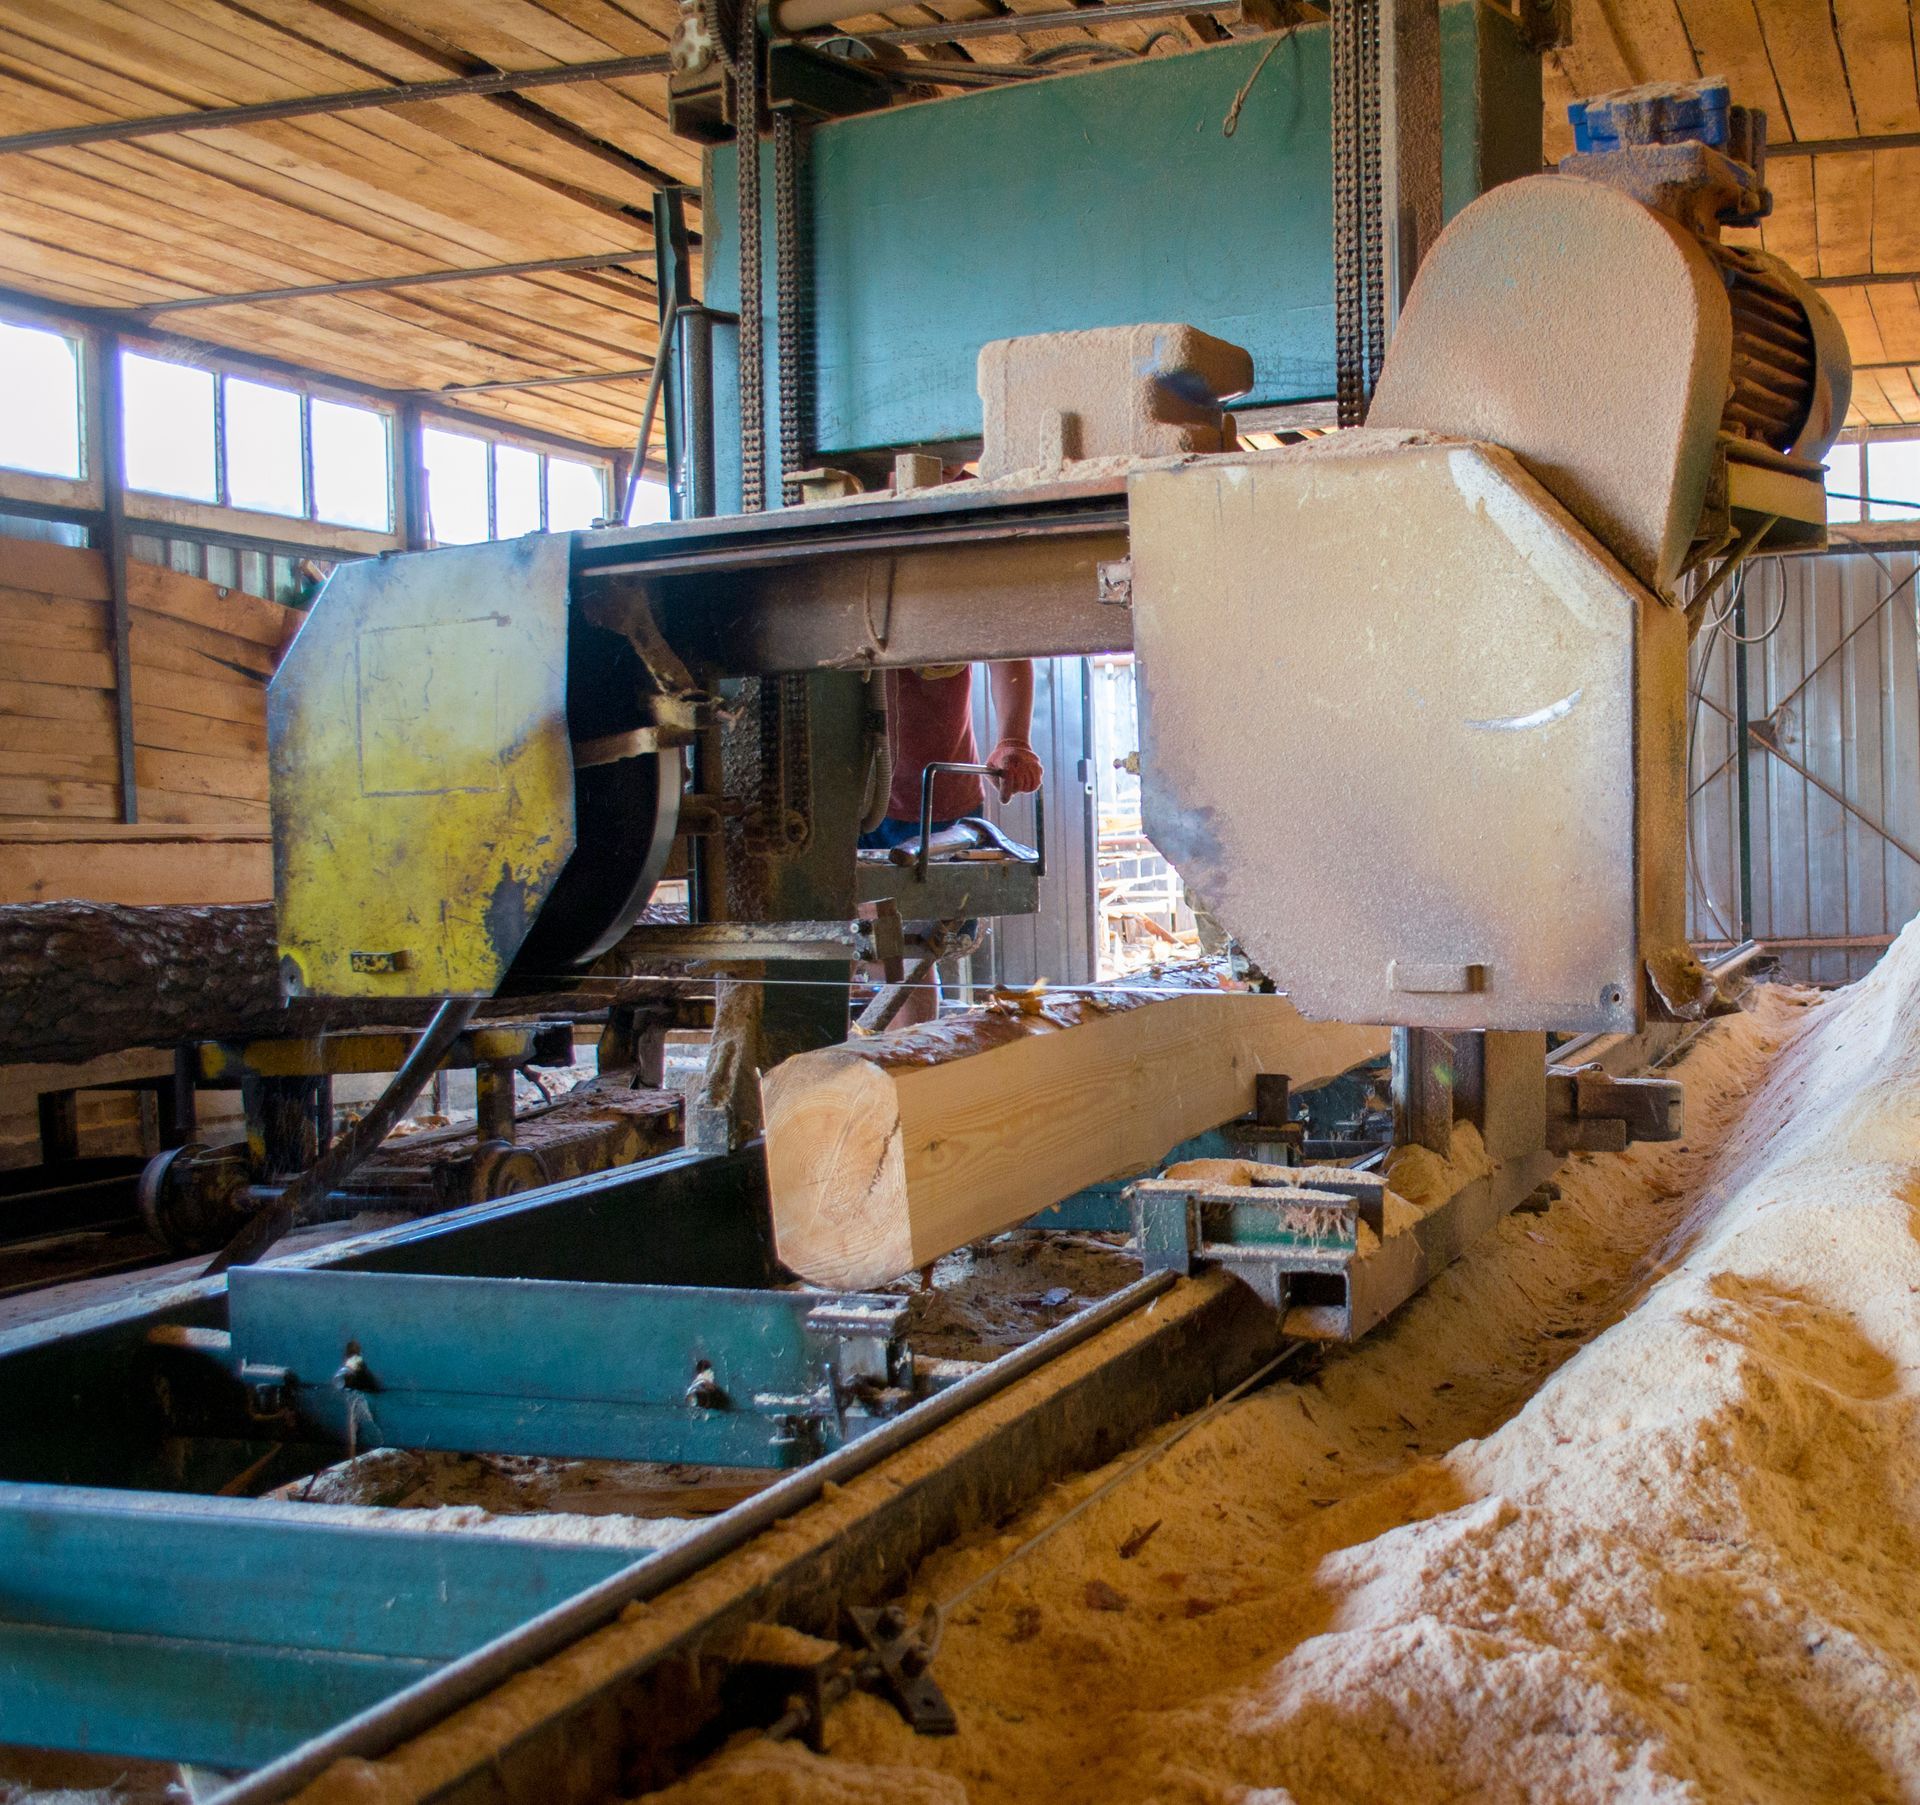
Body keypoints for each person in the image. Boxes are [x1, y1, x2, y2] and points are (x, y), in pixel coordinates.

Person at [859, 660, 1043, 1025]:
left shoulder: (947, 605)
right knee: (856, 950)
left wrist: (1014, 740)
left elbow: (1006, 652)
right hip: (839, 799)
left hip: (934, 804)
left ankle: (911, 1066)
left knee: (909, 949)